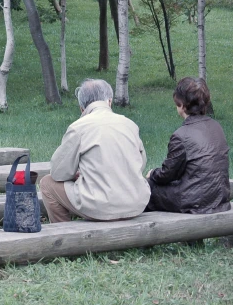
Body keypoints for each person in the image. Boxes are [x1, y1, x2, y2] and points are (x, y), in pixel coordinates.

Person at [39, 79, 151, 223]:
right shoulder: (130, 124)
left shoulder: (78, 127)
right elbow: (141, 163)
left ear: (82, 108)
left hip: (101, 207)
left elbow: (58, 172)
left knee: (47, 183)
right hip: (137, 203)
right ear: (109, 101)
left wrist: (78, 175)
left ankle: (64, 234)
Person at [146, 77, 231, 214]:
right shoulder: (217, 127)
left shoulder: (181, 135)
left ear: (182, 106)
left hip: (194, 202)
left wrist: (152, 174)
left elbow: (168, 174)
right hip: (219, 198)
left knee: (146, 188)